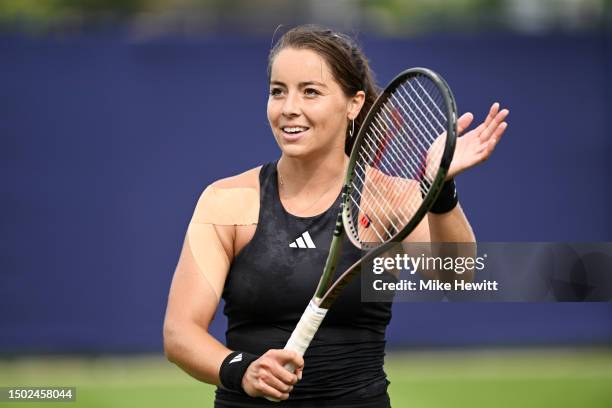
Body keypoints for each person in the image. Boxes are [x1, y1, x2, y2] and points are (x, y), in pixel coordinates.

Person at [163, 25, 509, 407]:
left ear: (354, 104)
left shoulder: (391, 198)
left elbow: (455, 278)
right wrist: (241, 369)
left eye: (310, 91)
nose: (289, 107)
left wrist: (440, 191)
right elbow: (180, 333)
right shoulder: (225, 201)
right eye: (278, 91)